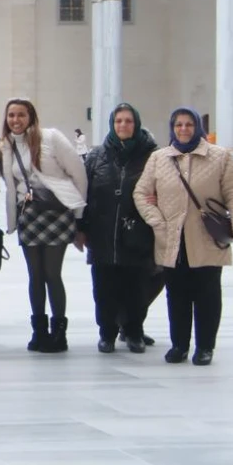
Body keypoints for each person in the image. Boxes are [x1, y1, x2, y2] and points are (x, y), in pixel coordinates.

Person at [134, 107, 233, 366]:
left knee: (207, 295)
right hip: (172, 239)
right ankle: (179, 345)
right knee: (176, 294)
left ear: (197, 127)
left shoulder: (219, 157)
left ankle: (205, 347)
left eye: (189, 124)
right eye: (179, 125)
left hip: (207, 239)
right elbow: (141, 193)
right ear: (172, 128)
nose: (184, 129)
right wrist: (157, 221)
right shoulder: (160, 158)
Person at [0, 99, 88, 353]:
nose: (16, 120)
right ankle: (39, 332)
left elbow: (78, 173)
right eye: (11, 115)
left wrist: (79, 214)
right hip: (30, 216)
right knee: (35, 275)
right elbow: (11, 184)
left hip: (56, 213)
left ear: (31, 117)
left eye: (21, 115)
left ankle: (59, 333)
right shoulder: (6, 146)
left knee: (51, 274)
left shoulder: (51, 138)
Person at [79, 104, 160, 354]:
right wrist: (80, 228)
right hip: (103, 233)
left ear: (136, 124)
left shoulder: (152, 156)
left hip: (137, 233)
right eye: (118, 121)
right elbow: (84, 193)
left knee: (136, 285)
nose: (123, 126)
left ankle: (134, 331)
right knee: (104, 289)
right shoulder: (97, 156)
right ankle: (107, 334)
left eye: (128, 121)